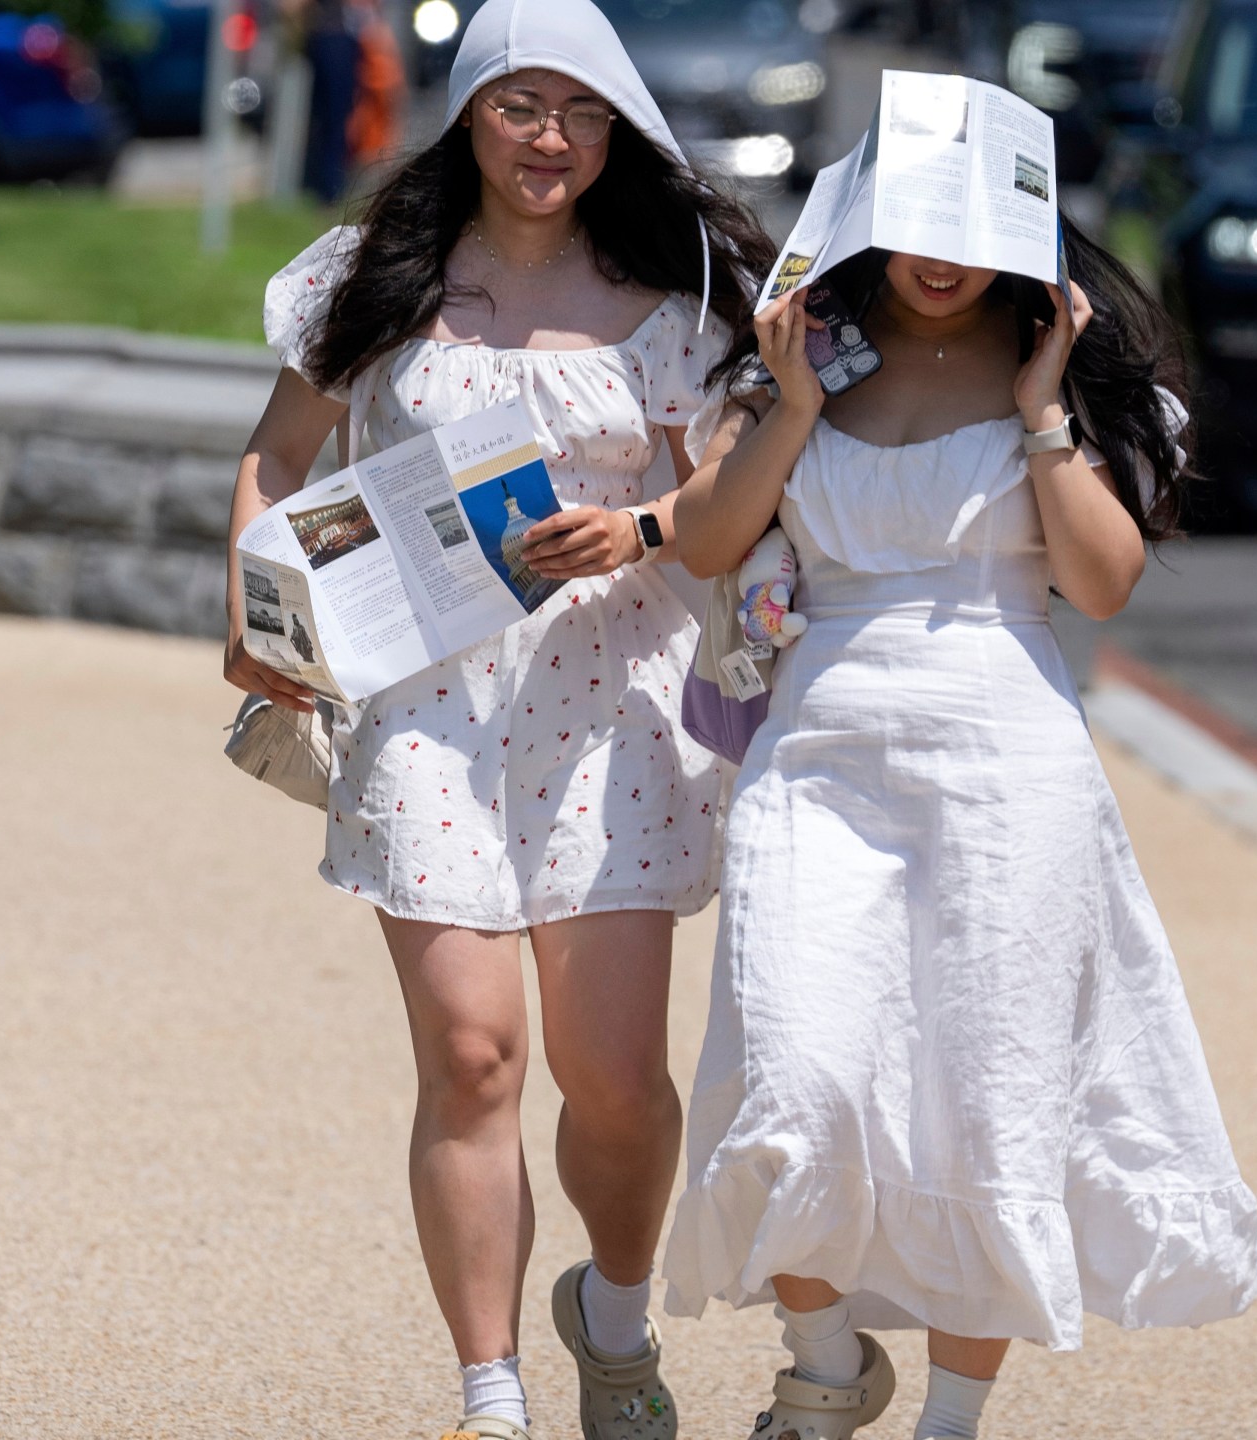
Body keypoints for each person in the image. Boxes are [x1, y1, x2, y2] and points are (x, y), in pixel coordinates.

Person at [223, 0, 776, 1435]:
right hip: (426, 710)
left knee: (616, 1085)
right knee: (472, 1056)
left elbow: (723, 512)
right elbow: (280, 459)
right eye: (521, 106)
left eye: (581, 112)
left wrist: (640, 528)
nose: (551, 139)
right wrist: (254, 615)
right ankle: (491, 1394)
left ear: (618, 128)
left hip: (612, 717)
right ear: (468, 113)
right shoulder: (368, 279)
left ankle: (617, 1306)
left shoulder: (670, 304)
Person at [660, 226, 1257, 1436]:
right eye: (918, 232)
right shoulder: (794, 354)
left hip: (1008, 763)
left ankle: (950, 1421)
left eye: (974, 234)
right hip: (818, 747)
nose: (945, 261)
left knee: (990, 1096)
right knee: (798, 1074)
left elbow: (1100, 587)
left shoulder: (1066, 371)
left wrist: (1043, 408)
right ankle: (824, 1366)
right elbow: (708, 540)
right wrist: (789, 402)